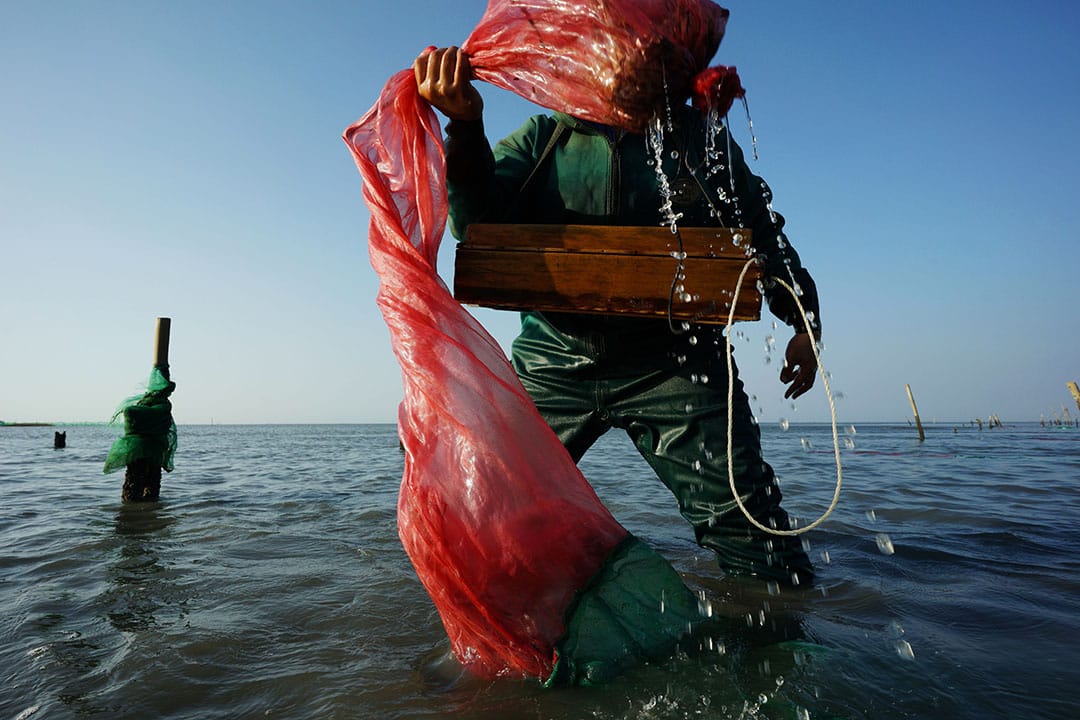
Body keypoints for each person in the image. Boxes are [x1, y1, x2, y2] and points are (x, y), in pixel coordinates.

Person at [414, 46, 821, 587]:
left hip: (678, 366)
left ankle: (780, 651)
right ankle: (500, 654)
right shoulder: (544, 140)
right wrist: (465, 127)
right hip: (554, 359)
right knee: (482, 524)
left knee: (763, 551)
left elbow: (764, 234)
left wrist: (802, 321)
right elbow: (475, 225)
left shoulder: (701, 145)